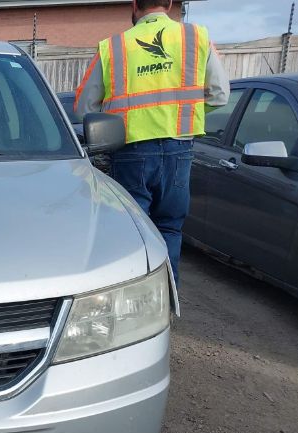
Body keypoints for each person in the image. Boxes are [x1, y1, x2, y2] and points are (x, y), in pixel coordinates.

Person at [75, 0, 230, 284]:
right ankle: (167, 300)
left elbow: (84, 106)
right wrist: (180, 113)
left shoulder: (113, 46)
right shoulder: (196, 37)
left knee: (132, 231)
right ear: (170, 4)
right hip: (179, 149)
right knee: (169, 229)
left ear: (134, 5)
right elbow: (220, 94)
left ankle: (135, 301)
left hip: (131, 151)